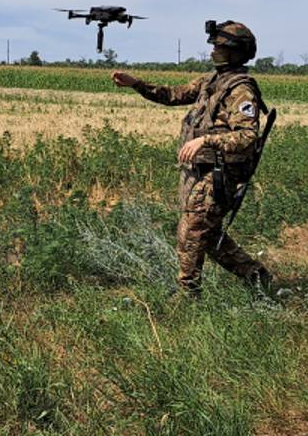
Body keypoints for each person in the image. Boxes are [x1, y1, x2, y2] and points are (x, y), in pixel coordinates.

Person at [111, 21, 271, 298]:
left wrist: (205, 140)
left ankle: (188, 296)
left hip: (218, 173)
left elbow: (247, 136)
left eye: (218, 48)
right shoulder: (212, 81)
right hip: (198, 172)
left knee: (193, 233)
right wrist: (136, 83)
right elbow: (173, 95)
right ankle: (255, 275)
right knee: (206, 235)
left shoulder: (241, 90)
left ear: (234, 52)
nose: (212, 53)